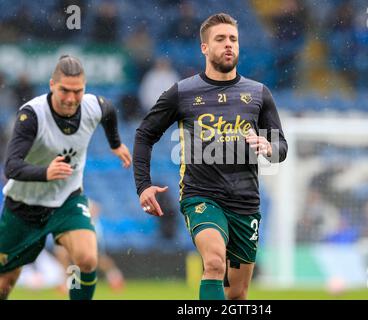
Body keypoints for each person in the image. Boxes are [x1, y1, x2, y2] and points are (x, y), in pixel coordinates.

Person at [133, 13, 288, 300]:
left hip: (245, 203)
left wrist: (268, 148)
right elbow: (144, 135)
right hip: (201, 197)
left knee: (237, 293)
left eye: (233, 39)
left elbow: (281, 147)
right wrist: (143, 185)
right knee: (214, 263)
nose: (228, 44)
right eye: (220, 39)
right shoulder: (182, 93)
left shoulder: (258, 94)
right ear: (205, 47)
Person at [0, 55, 132, 300]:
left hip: (66, 201)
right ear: (52, 85)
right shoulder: (31, 115)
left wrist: (116, 144)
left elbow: (109, 111)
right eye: (65, 91)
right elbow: (11, 167)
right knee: (5, 283)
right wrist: (45, 173)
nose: (71, 98)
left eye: (78, 91)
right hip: (23, 207)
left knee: (87, 258)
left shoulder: (94, 105)